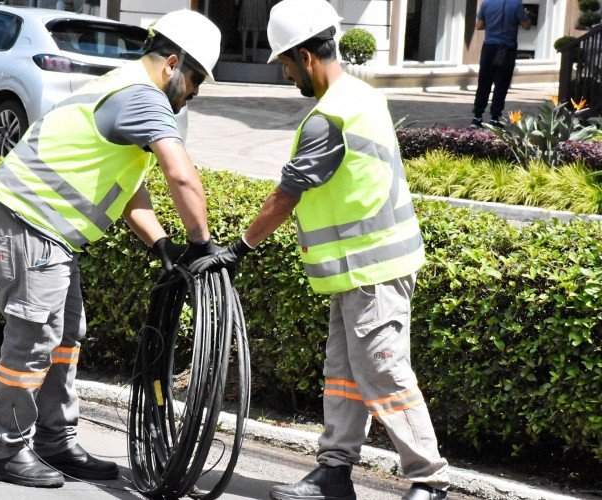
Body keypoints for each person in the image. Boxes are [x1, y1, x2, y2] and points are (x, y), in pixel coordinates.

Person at [190, 0, 450, 499]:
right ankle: (334, 472)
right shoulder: (360, 96)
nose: (287, 75)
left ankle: (429, 479)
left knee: (383, 370)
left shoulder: (329, 117)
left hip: (373, 268)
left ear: (305, 56)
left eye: (286, 64)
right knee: (345, 374)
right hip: (358, 270)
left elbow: (287, 193)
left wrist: (240, 249)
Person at [0, 9, 223, 488]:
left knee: (65, 336)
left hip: (44, 228)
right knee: (36, 337)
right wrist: (201, 244)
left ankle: (54, 441)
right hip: (25, 219)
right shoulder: (144, 98)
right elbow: (181, 173)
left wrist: (163, 244)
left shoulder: (122, 85)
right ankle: (6, 450)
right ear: (173, 64)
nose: (194, 93)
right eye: (195, 81)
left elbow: (125, 187)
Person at [470, 0, 533, 128]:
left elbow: (479, 25)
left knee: (484, 82)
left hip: (489, 47)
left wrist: (492, 24)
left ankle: (477, 117)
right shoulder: (516, 4)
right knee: (501, 83)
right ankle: (494, 118)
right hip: (507, 48)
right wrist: (528, 17)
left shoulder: (486, 3)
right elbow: (526, 25)